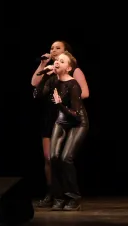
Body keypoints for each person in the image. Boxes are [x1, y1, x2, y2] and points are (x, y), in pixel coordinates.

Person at [31, 40, 89, 208]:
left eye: (61, 61)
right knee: (53, 158)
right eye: (56, 61)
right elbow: (36, 94)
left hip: (77, 122)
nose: (56, 62)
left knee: (65, 158)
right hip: (61, 121)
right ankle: (58, 197)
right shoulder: (53, 80)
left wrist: (59, 105)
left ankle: (74, 197)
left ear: (68, 67)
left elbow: (76, 115)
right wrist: (44, 75)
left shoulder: (73, 84)